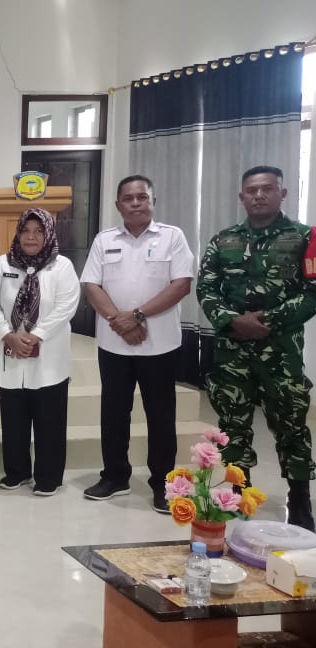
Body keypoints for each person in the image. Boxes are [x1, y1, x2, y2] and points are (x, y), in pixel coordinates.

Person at [197, 165, 316, 531]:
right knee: (233, 425)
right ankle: (239, 494)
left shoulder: (304, 237)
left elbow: (312, 292)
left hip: (280, 352)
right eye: (252, 190)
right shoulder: (224, 240)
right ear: (242, 197)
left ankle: (300, 501)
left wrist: (268, 321)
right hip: (232, 353)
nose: (259, 195)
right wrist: (234, 321)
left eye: (267, 189)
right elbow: (206, 288)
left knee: (291, 426)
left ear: (282, 193)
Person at [80, 175, 194, 513]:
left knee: (161, 416)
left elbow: (181, 284)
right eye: (128, 198)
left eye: (141, 197)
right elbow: (92, 286)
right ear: (118, 205)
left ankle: (163, 483)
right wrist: (120, 321)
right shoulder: (104, 240)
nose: (135, 203)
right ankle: (115, 476)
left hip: (159, 346)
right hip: (114, 345)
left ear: (152, 202)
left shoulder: (172, 237)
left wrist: (137, 315)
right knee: (114, 414)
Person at [0, 208, 80, 496]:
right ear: (18, 233)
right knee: (13, 417)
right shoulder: (2, 263)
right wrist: (8, 335)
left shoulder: (62, 266)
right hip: (11, 350)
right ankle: (16, 472)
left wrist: (35, 336)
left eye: (38, 231)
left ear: (48, 234)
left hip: (49, 354)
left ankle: (48, 476)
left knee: (50, 418)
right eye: (25, 230)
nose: (31, 236)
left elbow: (67, 306)